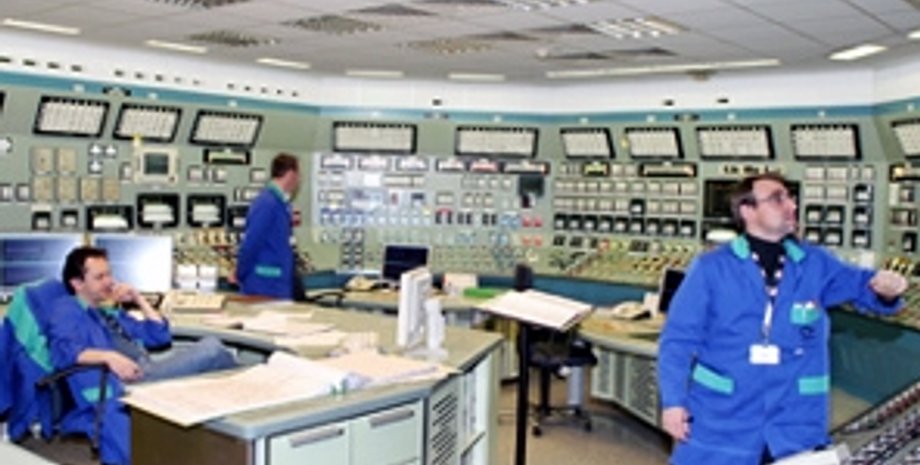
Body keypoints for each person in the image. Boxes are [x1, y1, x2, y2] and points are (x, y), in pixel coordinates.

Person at [658, 172, 907, 465]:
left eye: (790, 197)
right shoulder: (711, 268)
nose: (791, 205)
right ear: (747, 210)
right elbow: (677, 341)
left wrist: (886, 291)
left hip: (795, 419)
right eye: (777, 199)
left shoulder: (815, 263)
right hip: (724, 417)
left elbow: (865, 288)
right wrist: (673, 402)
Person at [47, 246, 238, 465]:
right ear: (77, 283)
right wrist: (109, 357)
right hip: (125, 380)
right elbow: (64, 352)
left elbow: (158, 335)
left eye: (109, 274)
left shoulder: (105, 311)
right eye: (99, 277)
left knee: (209, 355)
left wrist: (138, 299)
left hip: (146, 366)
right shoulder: (66, 309)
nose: (109, 281)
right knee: (212, 349)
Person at [236, 152, 302, 300]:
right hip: (264, 284)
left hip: (277, 282)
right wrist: (240, 273)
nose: (299, 180)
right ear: (291, 174)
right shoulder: (267, 203)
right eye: (298, 175)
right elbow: (251, 243)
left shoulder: (280, 203)